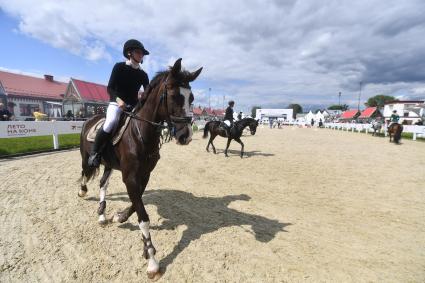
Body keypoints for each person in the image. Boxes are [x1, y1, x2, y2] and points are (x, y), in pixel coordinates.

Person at [88, 39, 150, 167]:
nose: (141, 55)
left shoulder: (143, 74)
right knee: (110, 122)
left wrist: (146, 96)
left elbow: (148, 91)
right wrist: (118, 100)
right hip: (116, 103)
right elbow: (110, 88)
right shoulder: (119, 67)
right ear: (129, 53)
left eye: (142, 53)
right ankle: (95, 153)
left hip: (133, 105)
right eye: (138, 52)